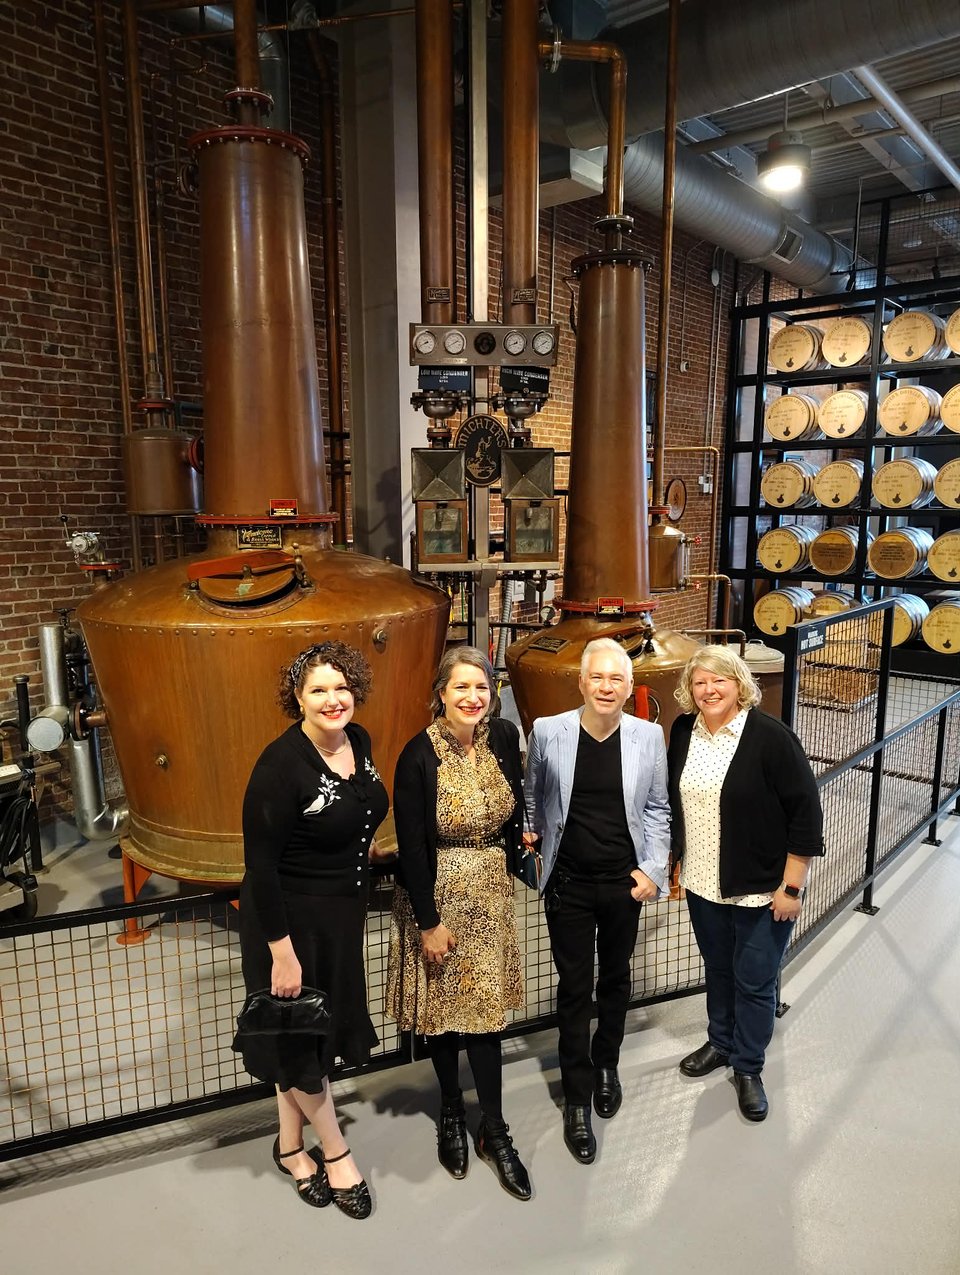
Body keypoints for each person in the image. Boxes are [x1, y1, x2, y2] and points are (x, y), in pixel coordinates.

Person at [234, 641, 388, 1219]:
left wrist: (354, 842)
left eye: (341, 687)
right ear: (297, 698)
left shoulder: (360, 742)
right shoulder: (280, 766)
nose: (333, 699)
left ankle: (290, 1147)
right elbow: (261, 867)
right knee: (300, 1042)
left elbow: (362, 809)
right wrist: (282, 952)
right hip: (289, 923)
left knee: (308, 1033)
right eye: (319, 689)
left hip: (340, 918)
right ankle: (337, 1151)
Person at [386, 646, 531, 1201]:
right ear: (441, 694)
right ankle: (451, 1110)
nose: (473, 697)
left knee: (486, 1017)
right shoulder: (417, 755)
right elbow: (413, 848)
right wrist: (427, 921)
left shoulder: (501, 740)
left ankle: (493, 1128)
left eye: (483, 688)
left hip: (490, 894)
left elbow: (514, 803)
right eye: (461, 688)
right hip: (440, 896)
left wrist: (524, 840)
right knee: (444, 1014)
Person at [523, 637, 671, 1165]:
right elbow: (533, 796)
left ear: (629, 687)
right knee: (573, 988)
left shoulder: (648, 737)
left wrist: (651, 870)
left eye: (617, 679)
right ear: (581, 682)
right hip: (568, 883)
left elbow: (658, 809)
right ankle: (577, 1096)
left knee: (615, 978)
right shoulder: (548, 731)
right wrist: (533, 841)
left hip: (622, 882)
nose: (607, 687)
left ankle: (606, 1063)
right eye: (598, 678)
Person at [667, 645, 824, 1122]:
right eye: (700, 683)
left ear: (739, 684)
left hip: (761, 886)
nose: (710, 690)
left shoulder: (769, 737)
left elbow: (805, 814)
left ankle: (748, 1066)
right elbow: (676, 802)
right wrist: (676, 862)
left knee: (755, 981)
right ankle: (720, 1042)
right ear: (689, 691)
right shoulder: (682, 731)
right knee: (718, 968)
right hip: (702, 880)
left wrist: (792, 887)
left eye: (720, 680)